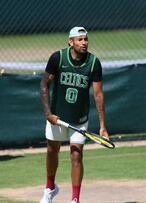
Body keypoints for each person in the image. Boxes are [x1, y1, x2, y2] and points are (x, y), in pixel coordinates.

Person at [39, 27, 109, 203]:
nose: (84, 43)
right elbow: (43, 85)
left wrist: (102, 126)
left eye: (86, 39)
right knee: (51, 151)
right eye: (80, 39)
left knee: (76, 155)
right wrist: (48, 113)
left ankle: (75, 199)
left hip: (79, 120)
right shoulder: (57, 58)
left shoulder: (93, 62)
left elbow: (98, 95)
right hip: (57, 118)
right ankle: (50, 188)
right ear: (70, 42)